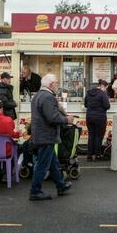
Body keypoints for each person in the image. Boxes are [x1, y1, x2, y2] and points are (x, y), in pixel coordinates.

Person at [29, 73, 74, 201]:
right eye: (56, 83)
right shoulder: (47, 97)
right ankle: (35, 191)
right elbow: (52, 117)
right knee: (42, 165)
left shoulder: (38, 95)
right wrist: (67, 119)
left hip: (41, 134)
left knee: (53, 162)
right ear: (50, 85)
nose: (57, 86)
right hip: (46, 135)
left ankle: (61, 185)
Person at [84, 79, 110, 161]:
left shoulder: (88, 93)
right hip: (100, 117)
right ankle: (97, 155)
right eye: (106, 88)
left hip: (89, 117)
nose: (106, 90)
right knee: (99, 136)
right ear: (103, 86)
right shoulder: (103, 94)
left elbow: (85, 105)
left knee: (91, 136)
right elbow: (107, 106)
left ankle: (89, 155)